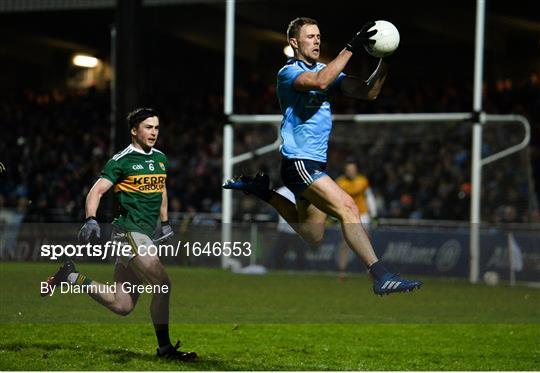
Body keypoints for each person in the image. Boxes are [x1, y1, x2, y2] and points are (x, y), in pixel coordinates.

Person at [224, 17, 422, 295]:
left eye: (319, 36)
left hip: (311, 164)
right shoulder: (288, 72)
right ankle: (380, 275)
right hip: (299, 162)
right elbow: (320, 82)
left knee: (312, 235)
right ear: (294, 42)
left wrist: (385, 58)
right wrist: (352, 46)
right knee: (348, 208)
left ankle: (264, 192)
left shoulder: (326, 70)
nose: (317, 40)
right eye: (310, 36)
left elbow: (369, 91)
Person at [41, 108, 197, 361]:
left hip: (146, 235)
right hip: (129, 233)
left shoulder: (160, 158)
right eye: (148, 127)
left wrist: (166, 223)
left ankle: (70, 275)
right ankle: (165, 348)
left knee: (121, 304)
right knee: (163, 284)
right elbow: (96, 191)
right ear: (134, 130)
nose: (154, 132)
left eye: (157, 127)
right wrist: (91, 218)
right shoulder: (121, 160)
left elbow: (162, 188)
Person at [335, 160, 378, 280]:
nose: (351, 171)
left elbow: (368, 196)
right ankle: (342, 272)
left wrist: (374, 214)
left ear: (356, 170)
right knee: (345, 244)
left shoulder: (363, 180)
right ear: (345, 171)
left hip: (362, 214)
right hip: (347, 215)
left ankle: (372, 270)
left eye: (353, 169)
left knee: (366, 242)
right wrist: (334, 216)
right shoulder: (340, 182)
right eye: (349, 170)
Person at [268, 185, 309, 270]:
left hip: (299, 230)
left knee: (301, 254)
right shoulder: (282, 191)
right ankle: (277, 271)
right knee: (279, 253)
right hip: (284, 228)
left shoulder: (303, 191)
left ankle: (301, 273)